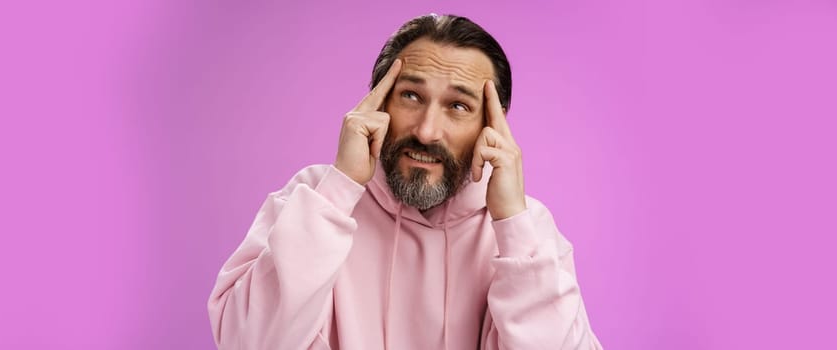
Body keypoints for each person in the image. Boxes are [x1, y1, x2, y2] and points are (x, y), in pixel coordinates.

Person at [208, 14, 603, 350]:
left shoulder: (526, 228)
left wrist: (512, 224)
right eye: (411, 96)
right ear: (378, 103)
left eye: (459, 106)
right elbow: (247, 341)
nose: (428, 131)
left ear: (492, 124)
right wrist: (340, 187)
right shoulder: (315, 196)